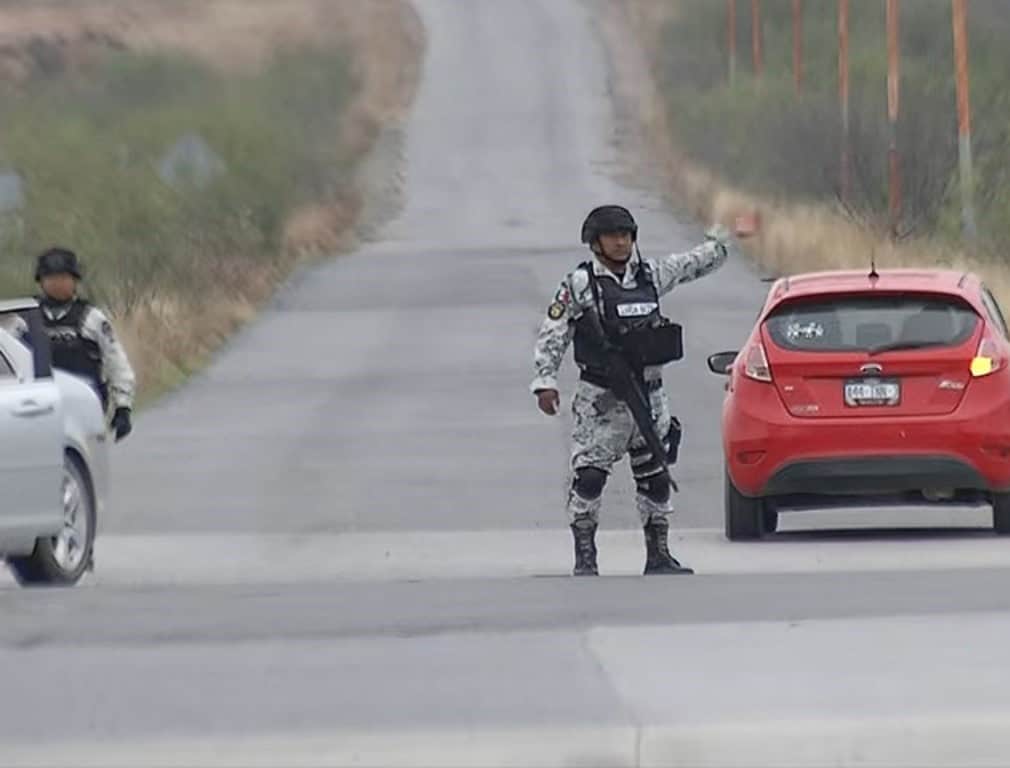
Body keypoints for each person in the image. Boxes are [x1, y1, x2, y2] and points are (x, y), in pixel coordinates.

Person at [532, 205, 729, 576]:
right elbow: (553, 333)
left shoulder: (650, 276)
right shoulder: (580, 285)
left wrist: (721, 241)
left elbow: (692, 264)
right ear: (595, 242)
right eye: (613, 236)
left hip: (650, 397)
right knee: (589, 478)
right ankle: (585, 556)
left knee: (655, 478)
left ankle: (659, 555)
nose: (621, 242)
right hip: (601, 401)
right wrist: (545, 381)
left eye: (626, 235)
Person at [34, 247, 136, 441]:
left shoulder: (92, 318)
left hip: (85, 407)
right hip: (41, 409)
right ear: (41, 281)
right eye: (51, 278)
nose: (58, 284)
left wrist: (123, 407)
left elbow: (116, 361)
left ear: (75, 281)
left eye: (63, 278)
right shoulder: (26, 319)